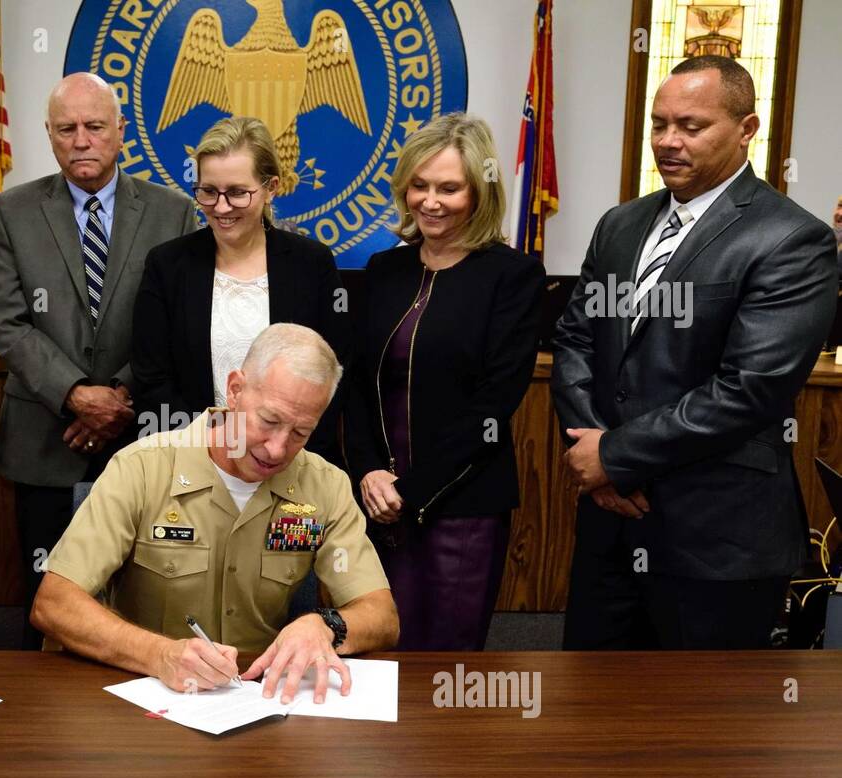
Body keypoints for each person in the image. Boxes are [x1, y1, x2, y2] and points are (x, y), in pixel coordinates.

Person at [552, 55, 837, 650]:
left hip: (717, 540)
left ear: (747, 128)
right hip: (611, 523)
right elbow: (579, 338)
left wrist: (618, 455)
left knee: (705, 731)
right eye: (659, 124)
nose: (668, 141)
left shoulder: (789, 238)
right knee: (590, 715)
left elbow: (751, 388)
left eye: (691, 125)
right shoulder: (621, 226)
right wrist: (593, 452)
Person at [32, 324, 397, 704]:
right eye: (269, 421)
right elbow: (54, 603)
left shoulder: (325, 486)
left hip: (258, 700)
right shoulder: (141, 468)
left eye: (300, 433)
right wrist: (159, 655)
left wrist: (325, 625)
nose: (276, 449)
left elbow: (382, 615)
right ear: (236, 389)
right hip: (143, 696)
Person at [0, 72, 199, 648]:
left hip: (140, 437)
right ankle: (43, 724)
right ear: (50, 137)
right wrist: (76, 394)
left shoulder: (173, 212)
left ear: (121, 132)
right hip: (44, 440)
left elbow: (176, 324)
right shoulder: (11, 211)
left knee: (143, 600)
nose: (81, 140)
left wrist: (120, 397)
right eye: (66, 129)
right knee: (46, 600)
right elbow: (8, 322)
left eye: (94, 126)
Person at [345, 113, 544, 651]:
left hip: (463, 511)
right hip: (375, 505)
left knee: (444, 663)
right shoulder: (384, 270)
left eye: (449, 188)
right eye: (420, 185)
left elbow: (491, 406)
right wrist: (367, 472)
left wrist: (408, 490)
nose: (430, 201)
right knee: (375, 649)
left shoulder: (512, 276)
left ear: (479, 191)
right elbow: (358, 386)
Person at [130, 116, 347, 464]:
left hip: (292, 460)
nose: (220, 207)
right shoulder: (168, 265)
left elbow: (335, 368)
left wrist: (284, 445)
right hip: (195, 458)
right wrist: (217, 445)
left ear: (271, 187)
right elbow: (152, 377)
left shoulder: (311, 263)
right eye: (208, 191)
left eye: (237, 193)